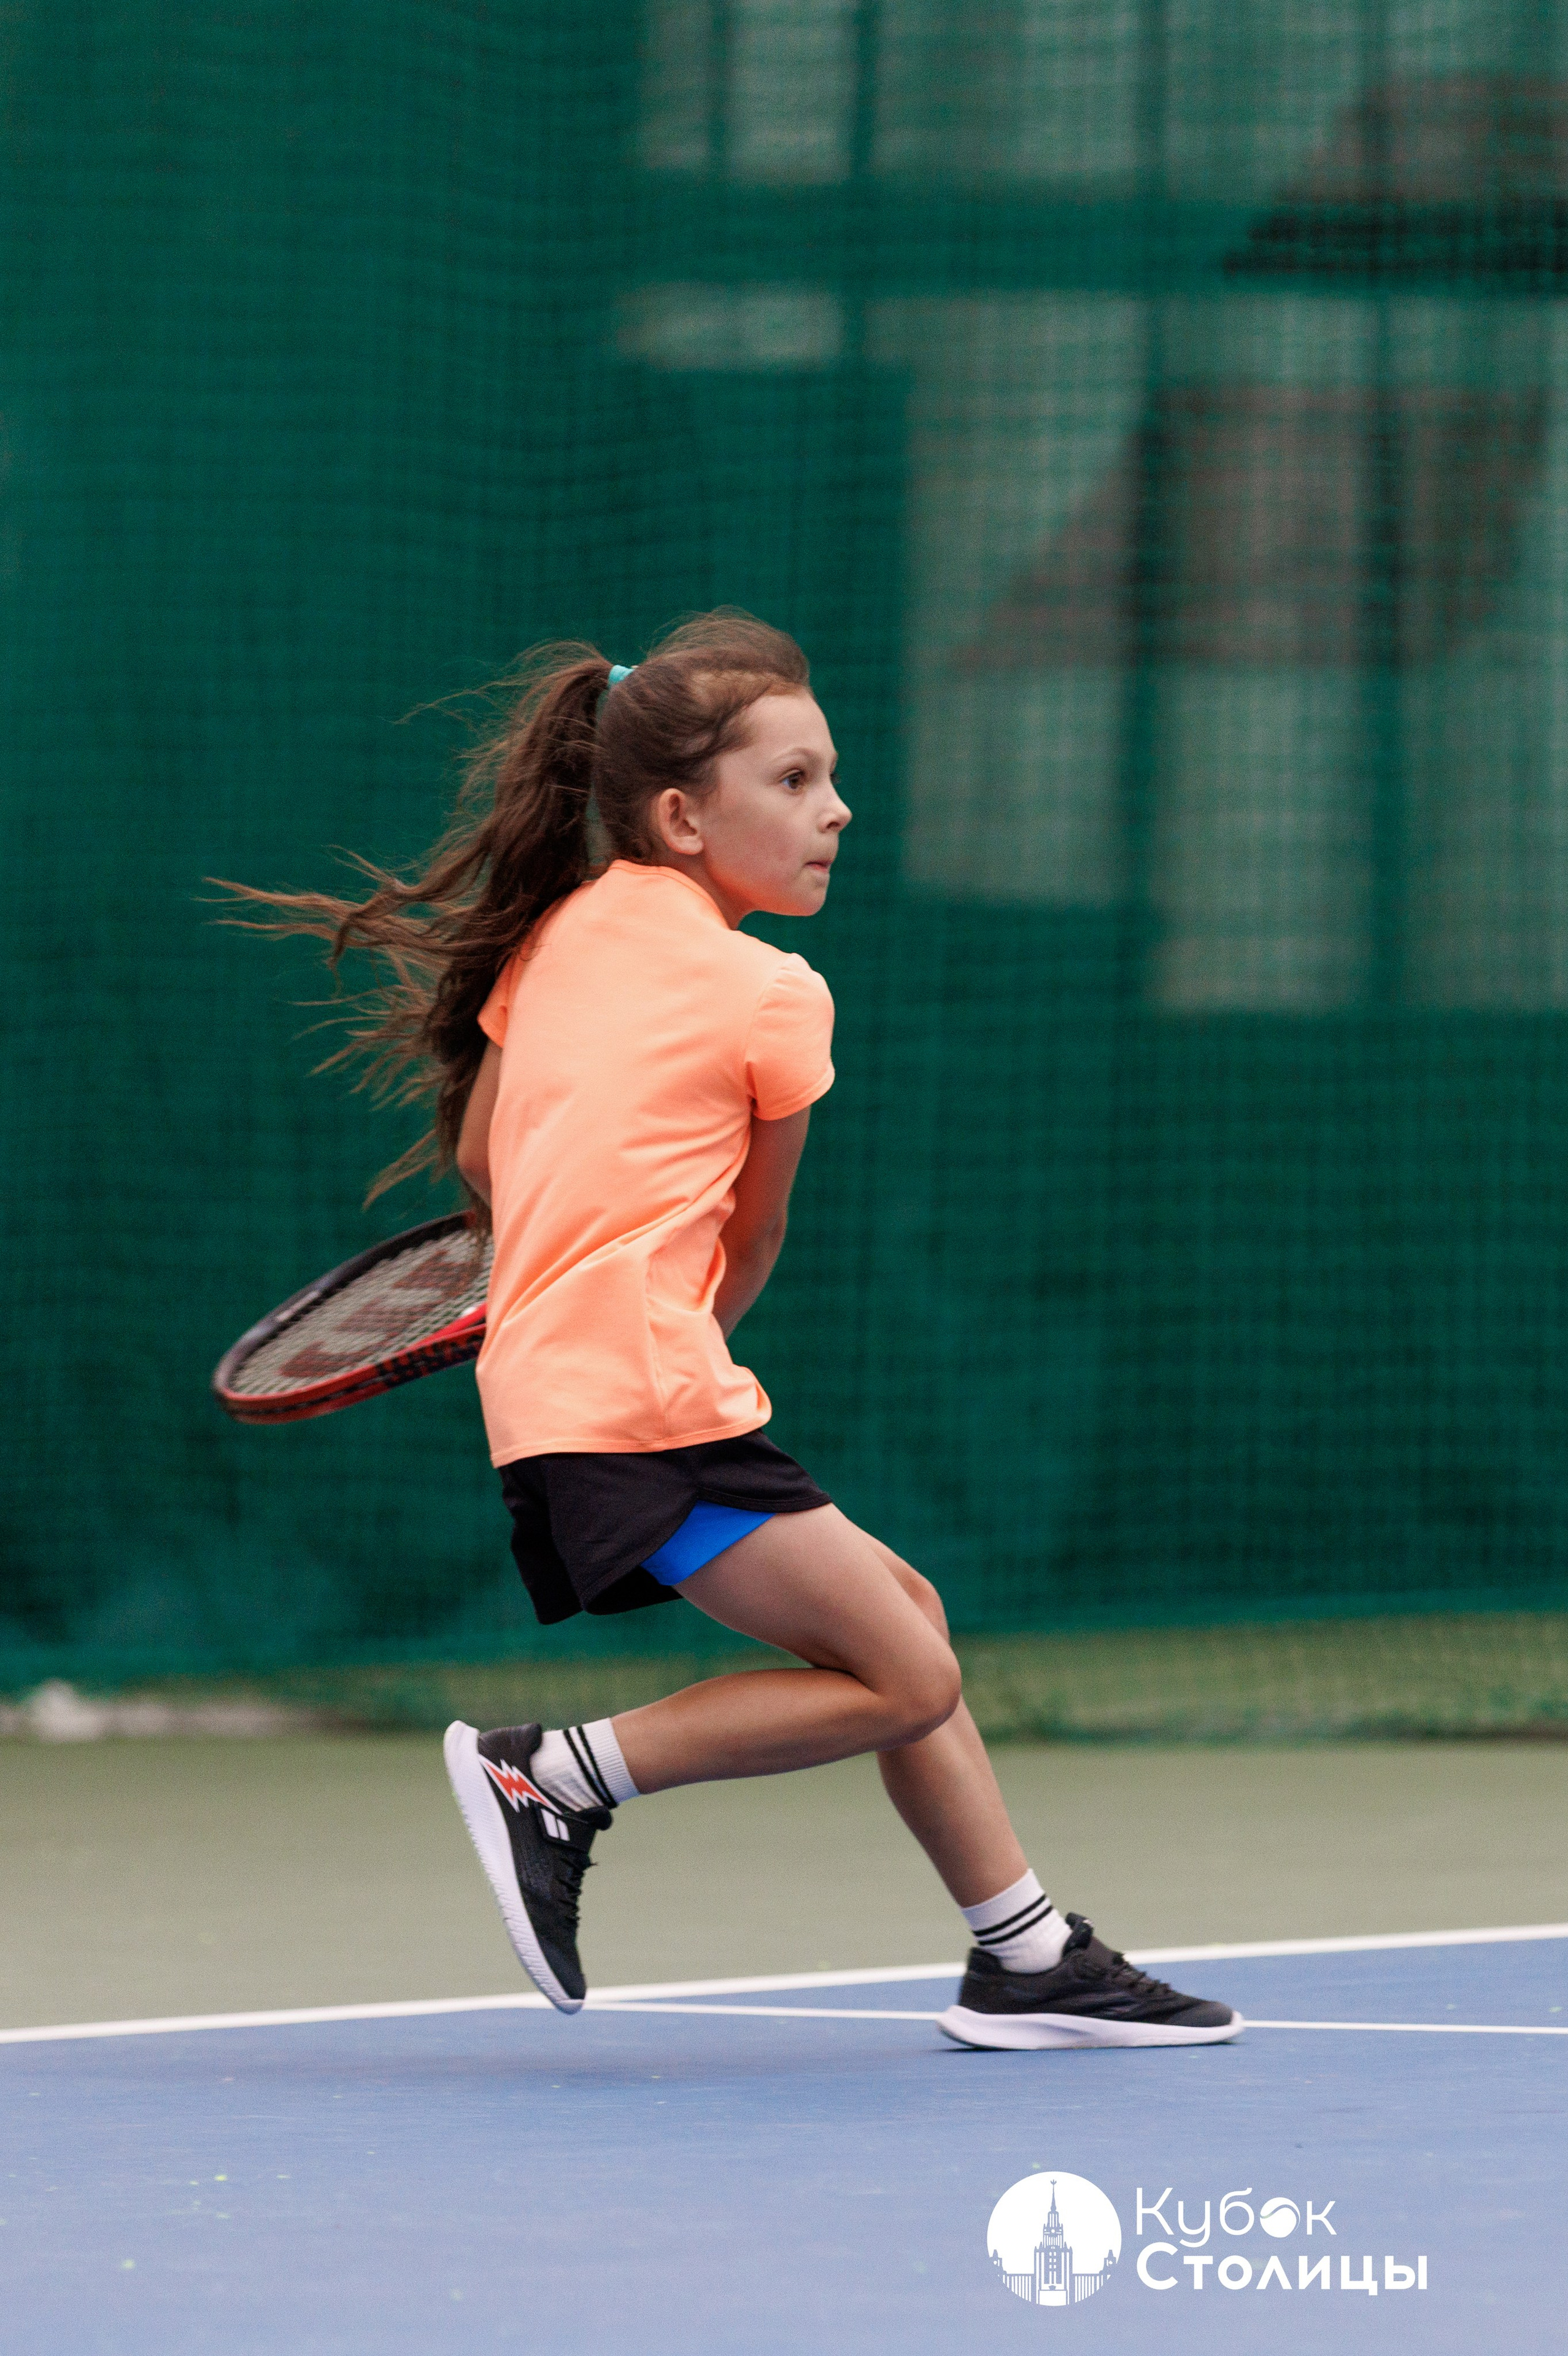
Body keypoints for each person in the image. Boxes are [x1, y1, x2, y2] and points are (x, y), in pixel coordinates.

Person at [238, 611, 1240, 2053]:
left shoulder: (565, 931)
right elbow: (747, 1241)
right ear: (679, 814)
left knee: (905, 1619)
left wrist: (568, 1270)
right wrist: (639, 1306)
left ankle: (1023, 1955)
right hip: (647, 1401)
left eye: (829, 778)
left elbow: (479, 1151)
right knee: (907, 1673)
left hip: (575, 1391)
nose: (835, 808)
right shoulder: (774, 994)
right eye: (792, 781)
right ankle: (556, 1774)